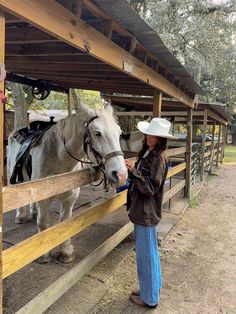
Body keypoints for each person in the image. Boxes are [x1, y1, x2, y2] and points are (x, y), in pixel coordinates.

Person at [125, 117, 175, 309]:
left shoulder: (159, 159)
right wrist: (134, 169)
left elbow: (149, 188)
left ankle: (150, 298)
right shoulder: (149, 153)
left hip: (146, 212)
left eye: (151, 133)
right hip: (142, 211)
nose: (147, 135)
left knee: (146, 255)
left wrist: (134, 172)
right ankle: (149, 289)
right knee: (148, 254)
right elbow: (144, 179)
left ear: (159, 138)